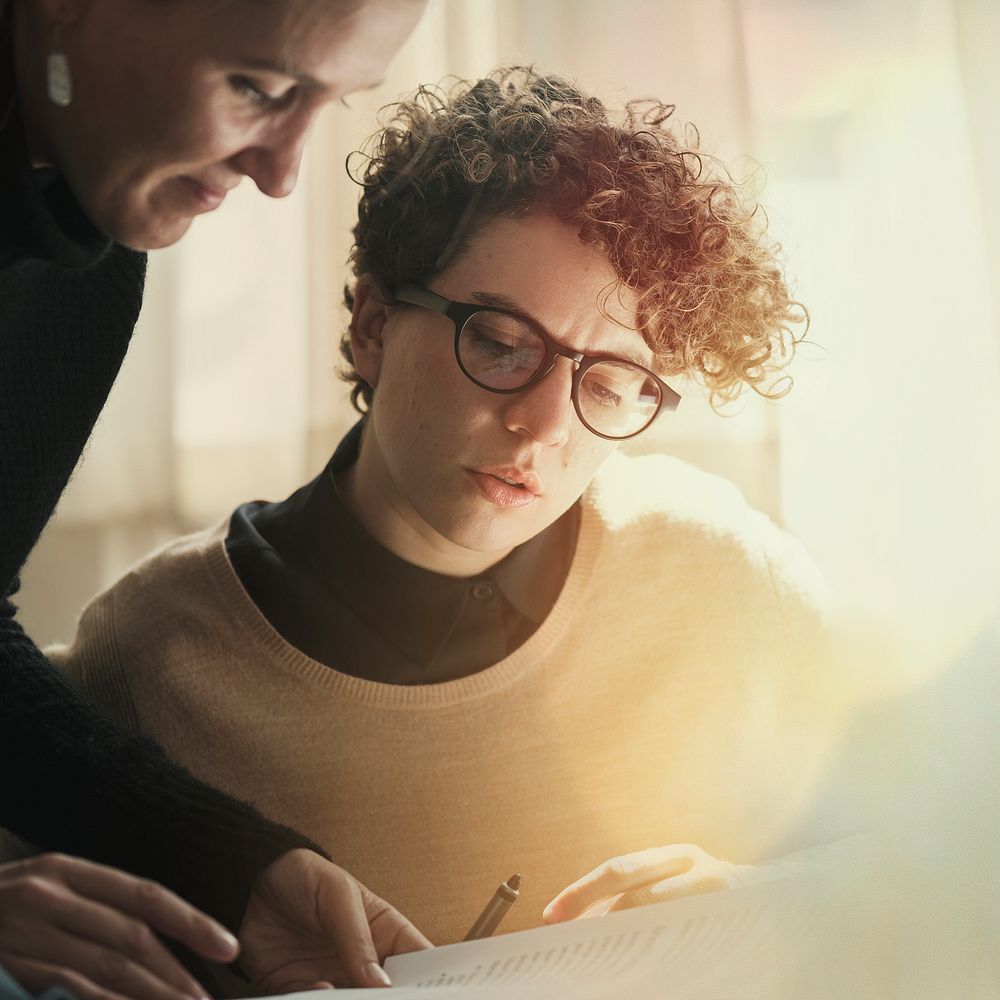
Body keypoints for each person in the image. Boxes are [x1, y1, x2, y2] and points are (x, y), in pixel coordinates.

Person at [49, 68, 855, 946]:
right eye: (502, 344)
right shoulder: (150, 655)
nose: (543, 424)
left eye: (614, 381)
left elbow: (922, 864)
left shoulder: (721, 573)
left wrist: (753, 896)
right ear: (373, 327)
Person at [0, 0, 432, 995]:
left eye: (331, 102)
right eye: (259, 89)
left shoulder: (88, 261)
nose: (281, 175)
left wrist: (239, 866)